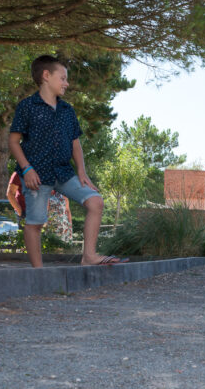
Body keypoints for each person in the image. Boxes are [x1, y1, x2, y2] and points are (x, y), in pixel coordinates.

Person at [9, 54, 125, 267]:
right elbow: (13, 141)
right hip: (36, 175)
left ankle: (89, 256)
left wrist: (82, 171)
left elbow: (75, 143)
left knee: (96, 202)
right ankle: (38, 273)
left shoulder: (67, 110)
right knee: (35, 223)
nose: (67, 83)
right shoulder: (27, 106)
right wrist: (26, 169)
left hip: (64, 172)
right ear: (46, 76)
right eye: (62, 78)